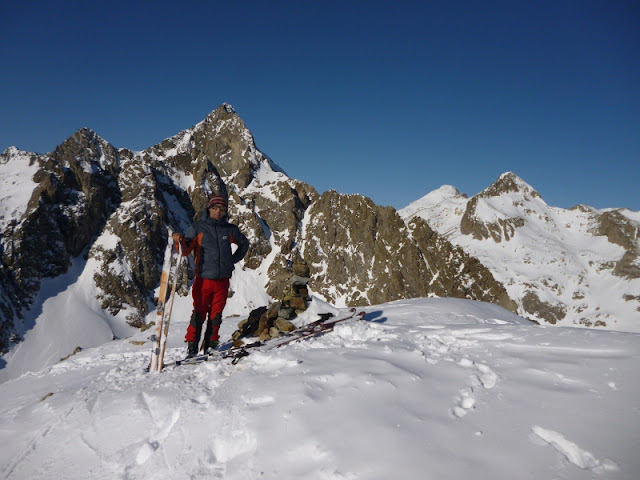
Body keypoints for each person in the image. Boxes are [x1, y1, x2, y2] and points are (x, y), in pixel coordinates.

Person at [172, 194, 250, 356]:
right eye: (214, 208)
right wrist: (178, 241)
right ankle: (192, 345)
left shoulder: (230, 229)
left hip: (222, 280)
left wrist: (232, 259)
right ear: (208, 209)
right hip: (203, 279)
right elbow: (185, 251)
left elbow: (244, 243)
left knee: (216, 314)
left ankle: (211, 344)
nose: (218, 211)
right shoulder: (198, 227)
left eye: (221, 209)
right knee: (199, 312)